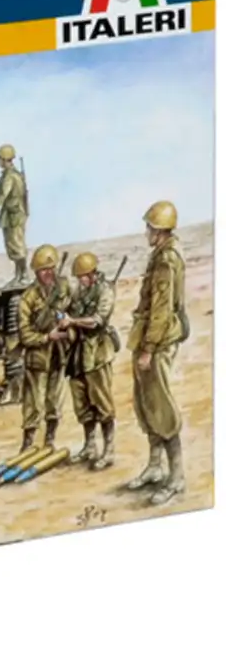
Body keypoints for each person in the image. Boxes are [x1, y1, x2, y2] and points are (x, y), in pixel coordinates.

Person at [126, 201, 187, 505]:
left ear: (160, 231)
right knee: (147, 404)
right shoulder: (160, 254)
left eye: (149, 227)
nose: (146, 232)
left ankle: (175, 478)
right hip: (150, 337)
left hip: (158, 341)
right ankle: (154, 467)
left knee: (161, 406)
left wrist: (148, 349)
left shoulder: (166, 260)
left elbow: (161, 310)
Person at [60, 252, 118, 469]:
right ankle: (90, 445)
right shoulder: (79, 291)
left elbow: (97, 321)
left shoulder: (105, 291)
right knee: (82, 402)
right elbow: (67, 310)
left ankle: (109, 450)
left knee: (102, 403)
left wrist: (72, 321)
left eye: (83, 276)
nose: (80, 280)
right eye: (78, 277)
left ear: (93, 274)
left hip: (97, 354)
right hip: (78, 354)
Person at [17, 244, 72, 452]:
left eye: (51, 268)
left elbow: (74, 308)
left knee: (55, 400)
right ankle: (28, 443)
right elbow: (25, 334)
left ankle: (50, 440)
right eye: (43, 270)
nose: (48, 273)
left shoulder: (63, 288)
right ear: (36, 272)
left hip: (59, 354)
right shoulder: (28, 298)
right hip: (38, 357)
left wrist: (68, 322)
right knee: (33, 403)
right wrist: (47, 337)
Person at [0, 144, 29, 286]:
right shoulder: (13, 174)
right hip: (14, 213)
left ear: (4, 159)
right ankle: (18, 275)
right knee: (14, 245)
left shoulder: (10, 176)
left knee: (16, 245)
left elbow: (3, 195)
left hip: (14, 215)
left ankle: (24, 275)